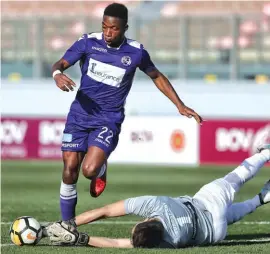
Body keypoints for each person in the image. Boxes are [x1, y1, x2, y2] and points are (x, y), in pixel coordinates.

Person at [51, 2, 203, 221]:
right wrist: (57, 74)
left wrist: (179, 105)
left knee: (89, 170)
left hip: (108, 119)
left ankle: (101, 168)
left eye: (113, 28)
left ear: (124, 28)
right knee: (70, 168)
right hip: (79, 115)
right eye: (104, 27)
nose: (107, 33)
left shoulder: (135, 52)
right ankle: (67, 226)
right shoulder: (87, 43)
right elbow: (61, 62)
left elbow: (157, 76)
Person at [43, 144, 270, 248]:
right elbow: (105, 211)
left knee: (231, 215)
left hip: (214, 231)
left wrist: (81, 238)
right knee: (235, 178)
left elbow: (116, 243)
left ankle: (261, 199)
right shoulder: (156, 205)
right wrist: (70, 224)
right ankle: (264, 154)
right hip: (206, 204)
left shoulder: (164, 243)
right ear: (148, 220)